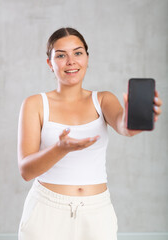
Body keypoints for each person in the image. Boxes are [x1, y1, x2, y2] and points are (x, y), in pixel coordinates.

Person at [17, 27, 162, 240]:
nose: (71, 61)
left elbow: (124, 126)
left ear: (87, 58)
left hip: (97, 213)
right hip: (45, 213)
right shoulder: (35, 104)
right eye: (60, 55)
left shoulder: (103, 99)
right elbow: (26, 171)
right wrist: (59, 149)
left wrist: (136, 120)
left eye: (77, 53)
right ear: (50, 63)